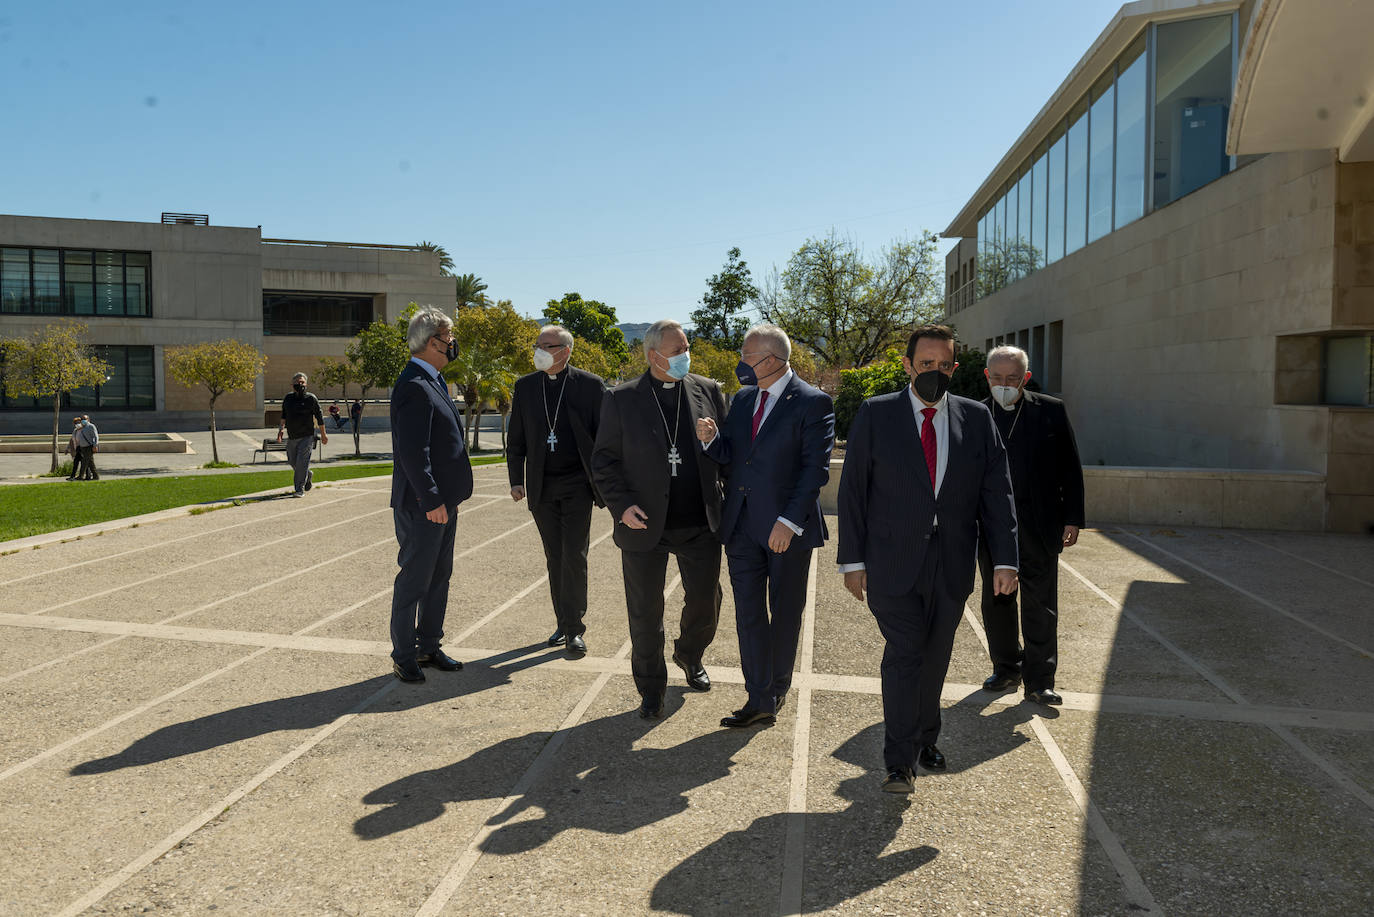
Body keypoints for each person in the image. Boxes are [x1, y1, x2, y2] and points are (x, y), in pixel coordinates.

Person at [836, 324, 1018, 794]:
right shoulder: (877, 415)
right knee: (905, 654)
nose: (934, 373)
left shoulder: (976, 419)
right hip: (892, 561)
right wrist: (851, 561)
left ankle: (924, 739)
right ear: (907, 366)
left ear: (954, 368)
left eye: (943, 366)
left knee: (935, 656)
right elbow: (853, 492)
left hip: (951, 562)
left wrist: (1006, 560)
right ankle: (898, 761)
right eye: (925, 365)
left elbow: (997, 493)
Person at [696, 323, 834, 728]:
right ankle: (759, 698)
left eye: (747, 356)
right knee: (749, 614)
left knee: (786, 612)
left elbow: (815, 471)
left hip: (786, 530)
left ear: (771, 360)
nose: (741, 362)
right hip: (741, 527)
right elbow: (735, 456)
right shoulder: (742, 399)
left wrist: (788, 522)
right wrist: (710, 441)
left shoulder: (813, 402)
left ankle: (776, 686)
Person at [591, 319, 727, 719]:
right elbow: (604, 461)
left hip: (699, 522)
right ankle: (651, 688)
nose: (687, 354)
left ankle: (689, 653)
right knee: (644, 611)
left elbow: (729, 454)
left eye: (687, 347)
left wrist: (714, 440)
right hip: (643, 523)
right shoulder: (621, 399)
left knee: (706, 601)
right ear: (653, 356)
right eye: (678, 349)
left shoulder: (709, 390)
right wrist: (621, 506)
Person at [978, 345, 1084, 706]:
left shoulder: (1050, 411)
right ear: (987, 376)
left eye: (1012, 379)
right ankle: (1006, 667)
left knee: (1041, 602)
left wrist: (1073, 517)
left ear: (1025, 378)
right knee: (997, 600)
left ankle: (1040, 680)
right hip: (991, 525)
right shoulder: (976, 413)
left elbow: (1070, 466)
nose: (1004, 385)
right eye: (997, 378)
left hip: (1040, 522)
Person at [507, 325, 606, 658]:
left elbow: (605, 439)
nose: (538, 350)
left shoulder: (591, 386)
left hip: (578, 484)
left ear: (565, 350)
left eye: (545, 345)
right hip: (542, 485)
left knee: (574, 555)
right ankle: (563, 623)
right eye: (537, 345)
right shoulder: (525, 387)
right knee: (555, 556)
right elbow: (516, 438)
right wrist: (515, 479)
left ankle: (575, 628)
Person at [388, 307, 475, 683]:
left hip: (443, 503)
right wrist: (431, 500)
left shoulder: (434, 380)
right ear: (430, 342)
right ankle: (404, 654)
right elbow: (412, 452)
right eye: (448, 337)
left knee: (439, 577)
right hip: (424, 504)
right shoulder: (413, 385)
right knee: (415, 580)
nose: (453, 343)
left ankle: (429, 645)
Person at [276, 373, 327, 497]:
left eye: (302, 382)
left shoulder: (311, 399)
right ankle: (307, 474)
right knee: (292, 461)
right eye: (298, 383)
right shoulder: (288, 398)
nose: (300, 385)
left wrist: (323, 434)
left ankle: (299, 489)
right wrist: (280, 430)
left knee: (302, 462)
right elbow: (284, 416)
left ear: (306, 384)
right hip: (292, 436)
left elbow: (319, 418)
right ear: (292, 385)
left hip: (307, 436)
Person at [76, 414, 100, 480]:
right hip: (82, 447)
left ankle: (81, 476)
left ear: (88, 420)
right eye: (82, 419)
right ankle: (96, 476)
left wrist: (95, 445)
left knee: (84, 461)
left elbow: (95, 436)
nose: (83, 420)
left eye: (84, 419)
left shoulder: (91, 426)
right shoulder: (81, 427)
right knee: (90, 462)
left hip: (89, 447)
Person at [65, 416, 86, 481]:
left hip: (83, 448)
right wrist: (67, 448)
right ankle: (74, 476)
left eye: (78, 422)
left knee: (83, 463)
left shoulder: (84, 430)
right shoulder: (75, 431)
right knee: (77, 463)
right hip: (78, 449)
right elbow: (71, 440)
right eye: (75, 423)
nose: (77, 424)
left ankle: (76, 476)